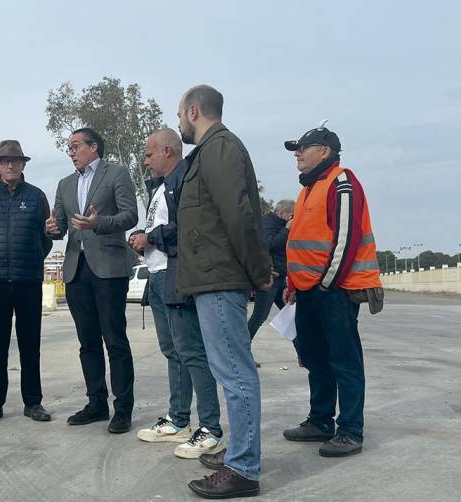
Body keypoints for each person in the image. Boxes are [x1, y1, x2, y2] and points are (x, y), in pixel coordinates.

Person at [175, 85, 274, 499]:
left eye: (180, 113)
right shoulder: (212, 150)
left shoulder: (220, 149)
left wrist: (260, 271)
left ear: (193, 110)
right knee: (229, 370)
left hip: (221, 279)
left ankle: (243, 469)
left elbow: (239, 216)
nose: (178, 121)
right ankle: (240, 450)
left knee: (235, 374)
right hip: (210, 278)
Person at [281, 122, 383, 457]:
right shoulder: (308, 188)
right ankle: (321, 420)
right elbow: (303, 242)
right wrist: (293, 283)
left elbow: (347, 237)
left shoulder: (342, 181)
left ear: (325, 151)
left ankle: (351, 430)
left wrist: (326, 284)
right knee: (314, 357)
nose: (297, 153)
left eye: (303, 147)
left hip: (335, 291)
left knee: (344, 359)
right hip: (309, 290)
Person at [129, 128, 223, 459]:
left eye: (149, 153)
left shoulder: (185, 180)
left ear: (168, 150)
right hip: (156, 276)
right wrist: (144, 236)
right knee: (173, 351)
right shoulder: (160, 187)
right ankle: (179, 419)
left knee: (192, 352)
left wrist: (150, 238)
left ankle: (210, 427)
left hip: (176, 274)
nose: (145, 159)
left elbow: (189, 228)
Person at [45, 127, 138, 433]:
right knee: (87, 343)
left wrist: (101, 223)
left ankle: (122, 409)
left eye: (75, 146)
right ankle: (96, 403)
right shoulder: (65, 184)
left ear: (93, 147)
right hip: (76, 269)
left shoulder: (117, 174)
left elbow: (130, 216)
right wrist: (53, 228)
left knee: (115, 340)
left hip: (109, 267)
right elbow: (59, 225)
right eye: (69, 148)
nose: (71, 151)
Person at [0, 140, 53, 424]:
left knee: (30, 344)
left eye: (15, 160)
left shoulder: (37, 197)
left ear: (23, 164)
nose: (9, 164)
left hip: (28, 280)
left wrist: (29, 261)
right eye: (4, 160)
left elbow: (45, 240)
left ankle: (33, 402)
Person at [248, 199, 296, 364]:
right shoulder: (268, 223)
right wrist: (287, 230)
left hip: (281, 278)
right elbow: (268, 244)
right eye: (291, 215)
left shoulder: (281, 226)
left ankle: (304, 354)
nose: (292, 218)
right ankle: (242, 354)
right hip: (270, 279)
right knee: (259, 316)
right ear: (281, 213)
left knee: (291, 316)